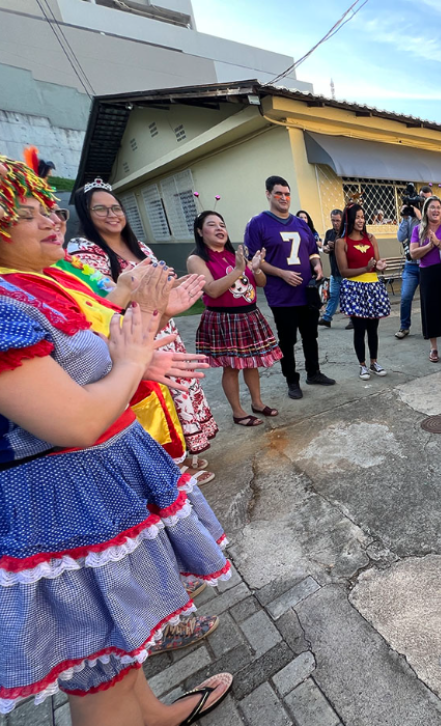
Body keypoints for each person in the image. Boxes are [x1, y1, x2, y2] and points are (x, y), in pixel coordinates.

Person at [0, 157, 233, 724]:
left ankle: (150, 712)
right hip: (62, 502)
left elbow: (86, 362)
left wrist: (138, 352)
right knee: (96, 663)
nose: (50, 221)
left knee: (117, 642)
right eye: (26, 215)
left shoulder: (39, 283)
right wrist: (134, 357)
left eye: (48, 209)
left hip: (97, 484)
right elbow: (76, 420)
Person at [71, 178, 219, 482]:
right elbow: (101, 306)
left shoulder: (138, 246)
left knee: (178, 391)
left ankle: (186, 453)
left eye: (116, 208)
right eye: (101, 209)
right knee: (154, 403)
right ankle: (170, 468)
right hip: (132, 336)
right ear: (86, 214)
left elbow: (157, 288)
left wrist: (173, 290)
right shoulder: (84, 253)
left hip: (163, 327)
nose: (112, 214)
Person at [186, 211, 283, 426]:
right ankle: (238, 412)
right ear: (200, 231)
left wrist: (255, 269)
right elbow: (212, 290)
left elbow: (261, 283)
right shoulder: (197, 259)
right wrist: (240, 269)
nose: (220, 229)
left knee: (252, 364)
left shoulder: (235, 255)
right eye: (212, 225)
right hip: (224, 319)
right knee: (231, 367)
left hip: (249, 315)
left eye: (222, 224)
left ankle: (257, 403)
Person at [245, 175, 335, 400]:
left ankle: (313, 373)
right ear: (268, 194)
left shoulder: (300, 223)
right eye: (279, 194)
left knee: (310, 336)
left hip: (307, 291)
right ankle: (291, 380)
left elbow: (313, 251)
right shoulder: (258, 223)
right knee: (287, 339)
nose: (284, 198)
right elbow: (255, 260)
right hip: (281, 294)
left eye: (287, 194)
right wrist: (281, 273)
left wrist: (317, 266)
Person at [335, 204, 390, 380]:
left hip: (373, 287)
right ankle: (362, 365)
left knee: (373, 329)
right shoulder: (341, 242)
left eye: (363, 217)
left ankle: (374, 362)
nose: (361, 220)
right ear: (349, 219)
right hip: (354, 289)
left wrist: (380, 266)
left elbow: (377, 263)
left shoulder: (371, 238)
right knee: (359, 329)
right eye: (357, 217)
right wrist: (365, 268)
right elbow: (343, 272)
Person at [410, 196, 441, 362]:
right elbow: (413, 253)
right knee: (431, 309)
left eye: (438, 207)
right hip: (428, 273)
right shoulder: (418, 229)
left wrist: (438, 242)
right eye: (432, 207)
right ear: (426, 210)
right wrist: (429, 246)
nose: (436, 210)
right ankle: (434, 348)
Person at [395, 186, 433, 339]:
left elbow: (429, 235)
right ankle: (404, 327)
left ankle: (429, 328)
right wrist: (405, 219)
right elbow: (400, 237)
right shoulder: (409, 218)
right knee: (405, 297)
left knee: (427, 299)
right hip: (410, 266)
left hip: (426, 265)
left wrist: (420, 217)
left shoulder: (429, 218)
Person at [318, 208, 344, 328]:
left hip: (346, 272)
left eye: (338, 220)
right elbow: (324, 248)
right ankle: (327, 318)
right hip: (335, 271)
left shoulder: (347, 233)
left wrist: (337, 246)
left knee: (350, 297)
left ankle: (354, 320)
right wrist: (326, 249)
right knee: (333, 295)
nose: (335, 223)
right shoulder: (329, 233)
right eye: (333, 220)